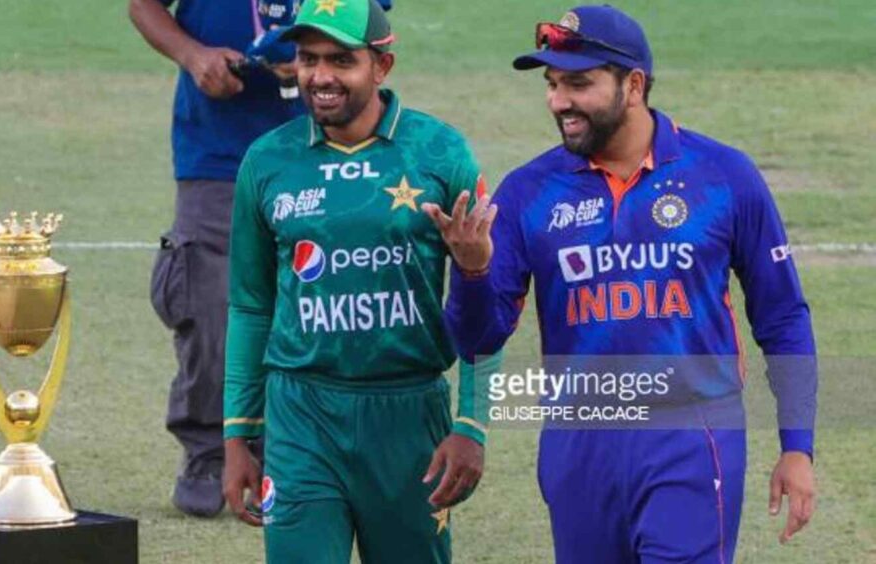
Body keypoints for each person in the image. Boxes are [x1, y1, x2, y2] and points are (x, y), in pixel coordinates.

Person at [428, 5, 818, 563]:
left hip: (691, 435)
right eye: (553, 84)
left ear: (633, 85)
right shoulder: (528, 192)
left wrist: (797, 448)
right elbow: (477, 339)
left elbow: (783, 317)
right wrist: (470, 272)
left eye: (579, 83)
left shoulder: (724, 176)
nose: (559, 101)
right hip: (578, 445)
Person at [221, 0, 494, 561]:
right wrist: (237, 434)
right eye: (306, 59)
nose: (320, 77)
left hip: (408, 415)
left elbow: (482, 292)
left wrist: (472, 422)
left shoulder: (441, 152)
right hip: (300, 415)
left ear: (381, 66)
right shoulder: (267, 160)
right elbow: (251, 305)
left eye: (340, 60)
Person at [129, 0, 304, 517]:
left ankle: (289, 456)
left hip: (320, 142)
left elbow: (371, 24)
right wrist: (194, 55)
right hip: (216, 148)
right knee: (208, 308)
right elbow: (143, 6)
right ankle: (207, 452)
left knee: (311, 304)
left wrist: (321, 57)